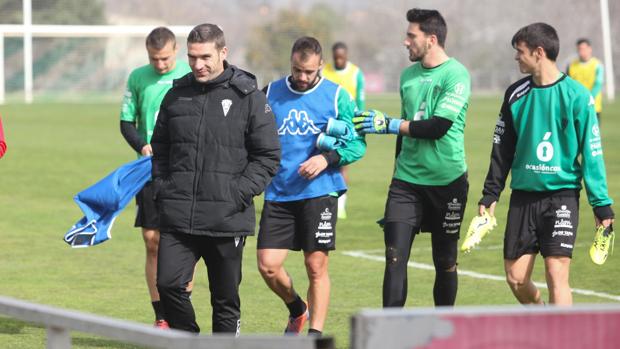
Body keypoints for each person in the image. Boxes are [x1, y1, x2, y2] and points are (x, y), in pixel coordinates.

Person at [151, 23, 280, 334]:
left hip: (227, 218)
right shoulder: (176, 95)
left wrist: (236, 193)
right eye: (192, 57)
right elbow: (161, 148)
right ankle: (191, 340)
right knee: (167, 284)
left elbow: (268, 156)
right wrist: (165, 188)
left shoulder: (247, 96)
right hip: (179, 214)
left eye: (205, 57)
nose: (198, 64)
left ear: (223, 52)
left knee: (224, 299)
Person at [478, 23, 614, 305]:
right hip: (524, 196)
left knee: (556, 271)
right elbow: (502, 147)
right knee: (516, 278)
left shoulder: (578, 96)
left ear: (539, 52)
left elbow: (592, 153)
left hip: (561, 195)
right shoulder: (515, 94)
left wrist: (601, 204)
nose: (516, 58)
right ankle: (541, 315)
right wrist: (491, 192)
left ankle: (560, 339)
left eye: (520, 52)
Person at [353, 8, 471, 308]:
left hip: (448, 182)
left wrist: (390, 124)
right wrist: (395, 182)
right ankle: (388, 334)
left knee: (445, 261)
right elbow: (405, 134)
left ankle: (443, 330)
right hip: (406, 183)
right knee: (394, 257)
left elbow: (437, 127)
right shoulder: (407, 77)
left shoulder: (456, 74)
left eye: (411, 36)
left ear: (431, 39)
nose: (405, 42)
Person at [257, 36, 366, 336]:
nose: (302, 77)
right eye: (296, 70)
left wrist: (326, 159)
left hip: (319, 191)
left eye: (309, 71)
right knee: (268, 265)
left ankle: (314, 337)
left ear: (320, 65)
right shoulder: (269, 93)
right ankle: (297, 308)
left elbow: (357, 144)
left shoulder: (337, 96)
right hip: (279, 191)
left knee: (315, 267)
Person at [119, 26, 191, 328]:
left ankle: (180, 311)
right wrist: (141, 144)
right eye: (154, 59)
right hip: (149, 169)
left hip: (184, 170)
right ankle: (161, 314)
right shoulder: (138, 77)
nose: (159, 65)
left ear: (175, 50)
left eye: (164, 58)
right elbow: (126, 122)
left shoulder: (192, 73)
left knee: (184, 241)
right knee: (152, 240)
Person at [322, 42, 366, 219]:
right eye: (336, 57)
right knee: (324, 161)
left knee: (343, 165)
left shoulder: (356, 73)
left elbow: (361, 101)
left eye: (342, 57)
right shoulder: (324, 71)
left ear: (346, 56)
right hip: (327, 124)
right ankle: (325, 199)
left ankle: (340, 204)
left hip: (347, 124)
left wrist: (359, 125)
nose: (339, 60)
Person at [567, 39, 604, 123]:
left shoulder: (597, 65)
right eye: (579, 49)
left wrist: (588, 99)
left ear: (590, 49)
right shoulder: (571, 65)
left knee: (593, 134)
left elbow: (598, 84)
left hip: (593, 106)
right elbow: (568, 85)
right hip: (576, 107)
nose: (581, 51)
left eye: (584, 49)